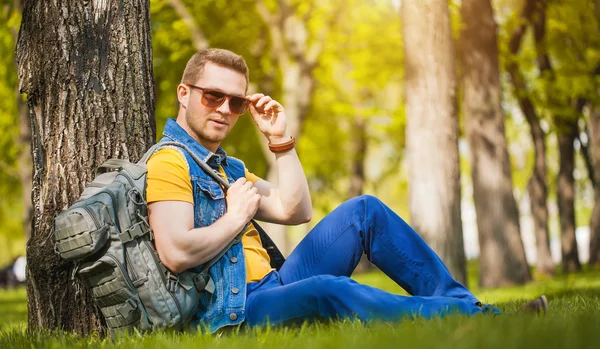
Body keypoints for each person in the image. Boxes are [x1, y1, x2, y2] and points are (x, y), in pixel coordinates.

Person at [146, 48, 547, 334]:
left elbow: (295, 209)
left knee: (365, 211)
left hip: (276, 284)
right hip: (238, 310)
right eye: (213, 95)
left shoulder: (227, 167)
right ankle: (482, 322)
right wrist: (236, 218)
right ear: (185, 93)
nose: (223, 109)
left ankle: (468, 306)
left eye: (235, 102)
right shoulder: (170, 162)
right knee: (329, 291)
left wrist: (280, 141)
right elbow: (177, 253)